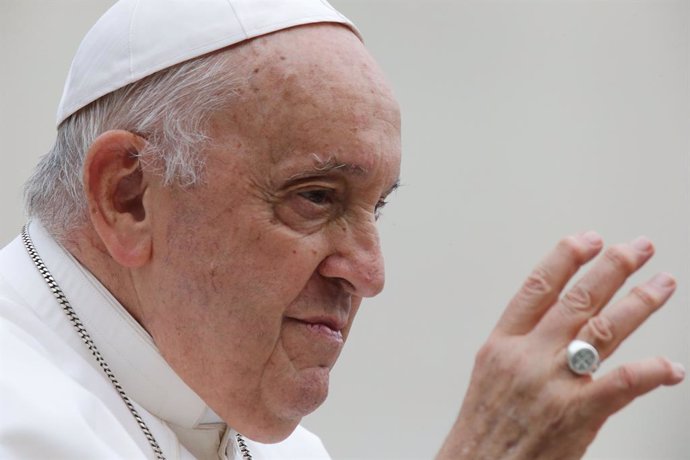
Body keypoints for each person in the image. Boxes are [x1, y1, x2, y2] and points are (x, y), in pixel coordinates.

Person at [0, 0, 684, 459]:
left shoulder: (278, 446)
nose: (370, 272)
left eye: (376, 207)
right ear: (128, 196)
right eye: (316, 197)